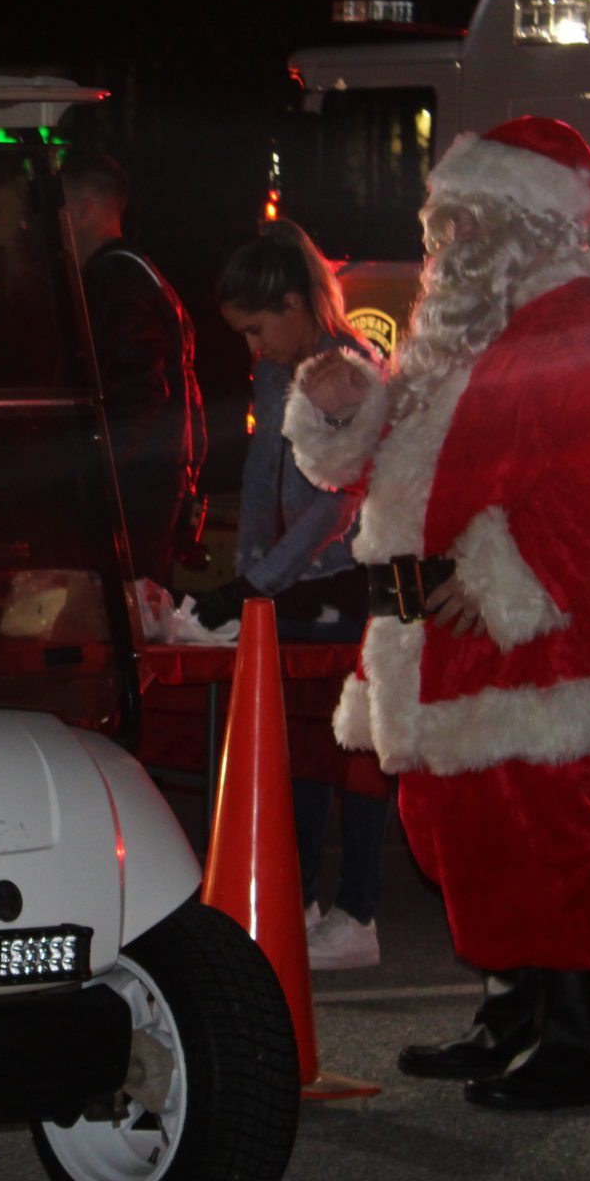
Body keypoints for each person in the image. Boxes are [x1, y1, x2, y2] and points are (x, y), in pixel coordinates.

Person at [283, 116, 590, 1110]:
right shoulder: (461, 338)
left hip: (540, 635)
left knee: (546, 832)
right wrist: (341, 408)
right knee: (461, 832)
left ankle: (572, 1045)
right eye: (445, 222)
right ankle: (510, 1018)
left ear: (534, 226)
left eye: (471, 221)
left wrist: (513, 570)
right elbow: (384, 465)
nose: (449, 242)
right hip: (442, 638)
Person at [195, 220, 392, 971]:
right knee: (308, 744)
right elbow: (259, 470)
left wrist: (260, 576)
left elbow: (335, 500)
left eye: (256, 328)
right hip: (300, 581)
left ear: (295, 302)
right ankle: (307, 900)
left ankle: (358, 910)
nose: (253, 347)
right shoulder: (284, 370)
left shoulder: (346, 370)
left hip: (347, 581)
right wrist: (248, 566)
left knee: (355, 745)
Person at [62, 154, 207, 584]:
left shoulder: (116, 283)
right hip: (148, 487)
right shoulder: (136, 275)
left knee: (119, 611)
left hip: (132, 492)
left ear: (83, 207)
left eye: (57, 204)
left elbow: (138, 392)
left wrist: (90, 474)